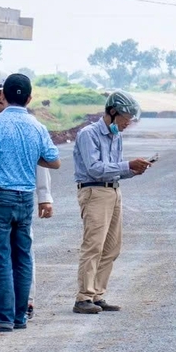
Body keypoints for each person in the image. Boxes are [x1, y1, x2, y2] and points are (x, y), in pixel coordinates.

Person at [0, 73, 60, 332]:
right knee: (23, 257)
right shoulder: (37, 127)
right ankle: (19, 315)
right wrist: (28, 157)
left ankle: (3, 317)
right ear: (29, 98)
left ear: (3, 95)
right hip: (25, 198)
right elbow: (54, 161)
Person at [72, 90, 152, 315]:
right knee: (93, 245)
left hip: (113, 191)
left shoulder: (116, 136)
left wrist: (133, 170)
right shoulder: (89, 134)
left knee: (111, 247)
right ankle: (83, 296)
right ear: (113, 112)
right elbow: (94, 169)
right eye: (126, 119)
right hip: (94, 192)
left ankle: (97, 294)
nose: (127, 124)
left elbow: (114, 169)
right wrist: (127, 165)